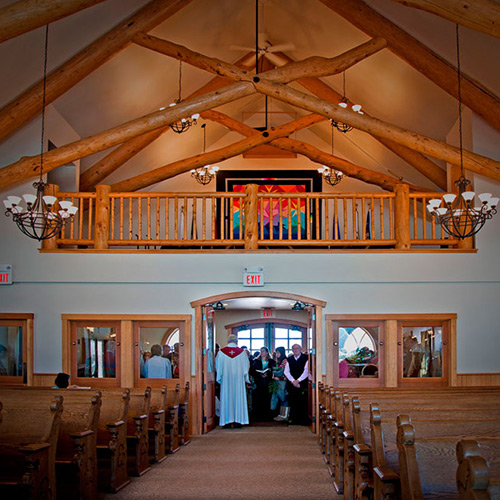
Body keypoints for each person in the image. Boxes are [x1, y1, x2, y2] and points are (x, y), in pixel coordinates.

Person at [215, 334, 250, 428]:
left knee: (226, 398)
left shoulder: (221, 352)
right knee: (238, 398)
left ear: (228, 341)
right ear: (236, 341)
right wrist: (245, 377)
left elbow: (218, 367)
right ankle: (238, 421)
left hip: (226, 380)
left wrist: (220, 377)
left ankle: (226, 421)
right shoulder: (242, 353)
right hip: (238, 380)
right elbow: (246, 367)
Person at [284, 343, 309, 425]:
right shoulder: (289, 359)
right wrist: (293, 381)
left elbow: (306, 371)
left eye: (297, 348)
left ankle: (303, 420)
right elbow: (286, 372)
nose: (295, 350)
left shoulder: (306, 358)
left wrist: (298, 381)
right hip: (292, 384)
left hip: (302, 383)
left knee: (303, 402)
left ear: (300, 349)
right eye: (294, 349)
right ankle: (294, 419)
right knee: (293, 402)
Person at [250, 346, 276, 421]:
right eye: (261, 351)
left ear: (267, 352)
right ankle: (258, 415)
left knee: (267, 398)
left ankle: (267, 415)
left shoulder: (271, 361)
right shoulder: (256, 361)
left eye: (263, 351)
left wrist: (268, 374)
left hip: (268, 382)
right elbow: (252, 370)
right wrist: (259, 374)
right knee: (258, 398)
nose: (262, 352)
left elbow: (273, 370)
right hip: (258, 382)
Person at [272, 346, 289, 421]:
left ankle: (285, 415)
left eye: (278, 353)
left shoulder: (285, 360)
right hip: (279, 381)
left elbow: (282, 372)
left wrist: (274, 372)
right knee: (281, 398)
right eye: (276, 353)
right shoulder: (279, 361)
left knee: (284, 398)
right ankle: (281, 414)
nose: (277, 354)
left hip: (284, 381)